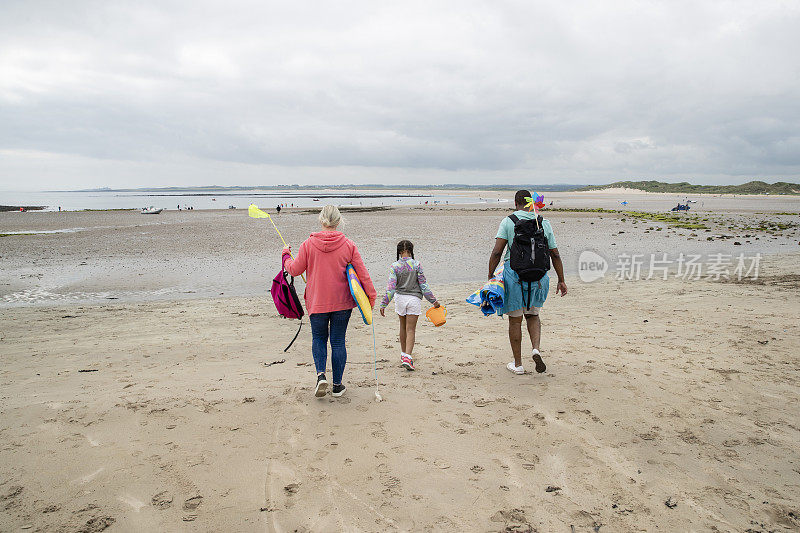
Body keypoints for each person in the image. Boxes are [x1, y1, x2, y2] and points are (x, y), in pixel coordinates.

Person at [283, 205, 376, 398]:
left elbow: (294, 269)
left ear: (321, 220)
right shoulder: (348, 244)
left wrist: (285, 255)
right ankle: (337, 385)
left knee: (319, 339)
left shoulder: (308, 244)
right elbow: (362, 273)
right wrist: (371, 297)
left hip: (317, 301)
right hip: (342, 302)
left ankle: (320, 376)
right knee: (338, 341)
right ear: (338, 221)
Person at [488, 190, 567, 375]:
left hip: (514, 276)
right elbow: (554, 253)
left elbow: (497, 252)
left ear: (516, 203)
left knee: (515, 321)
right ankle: (536, 349)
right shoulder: (543, 222)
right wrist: (561, 280)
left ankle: (518, 364)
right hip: (538, 278)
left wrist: (490, 276)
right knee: (533, 316)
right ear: (531, 203)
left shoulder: (509, 221)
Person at [379, 240, 440, 371]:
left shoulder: (394, 266)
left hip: (400, 298)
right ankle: (408, 356)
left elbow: (391, 288)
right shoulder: (417, 264)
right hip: (414, 299)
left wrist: (384, 304)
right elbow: (424, 286)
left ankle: (403, 355)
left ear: (399, 252)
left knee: (402, 326)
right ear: (411, 251)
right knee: (411, 329)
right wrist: (433, 301)